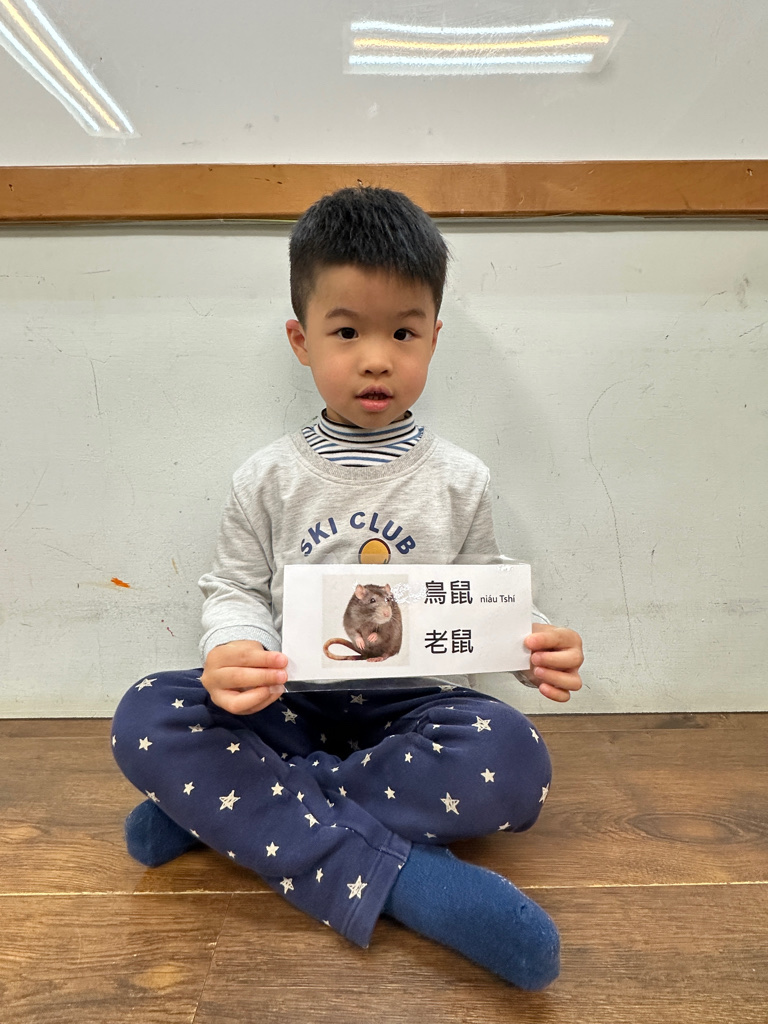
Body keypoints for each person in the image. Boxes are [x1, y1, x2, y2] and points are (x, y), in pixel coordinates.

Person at [111, 186, 583, 991]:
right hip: (287, 705)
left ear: (434, 337)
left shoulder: (460, 479)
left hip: (414, 711)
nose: (376, 358)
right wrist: (236, 646)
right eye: (346, 331)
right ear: (301, 340)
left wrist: (532, 640)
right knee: (147, 716)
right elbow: (234, 586)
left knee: (514, 760)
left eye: (403, 332)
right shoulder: (266, 477)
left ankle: (227, 810)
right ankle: (407, 883)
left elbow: (484, 592)